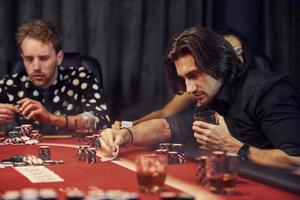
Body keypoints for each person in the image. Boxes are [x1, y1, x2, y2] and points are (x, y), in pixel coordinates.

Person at [100, 26, 300, 169]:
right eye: (184, 78)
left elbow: (296, 162)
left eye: (194, 75)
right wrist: (127, 135)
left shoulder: (269, 90)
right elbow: (167, 126)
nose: (189, 88)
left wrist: (236, 148)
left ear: (218, 63)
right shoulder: (210, 97)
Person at [111, 28, 249, 129]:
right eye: (227, 52)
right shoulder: (197, 85)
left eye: (238, 52)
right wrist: (128, 126)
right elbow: (166, 113)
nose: (232, 58)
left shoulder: (254, 90)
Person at [0, 19, 111, 133]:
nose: (36, 67)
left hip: (70, 150)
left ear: (59, 58)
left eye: (44, 58)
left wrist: (51, 119)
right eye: (29, 59)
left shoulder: (82, 78)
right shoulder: (10, 85)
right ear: (23, 58)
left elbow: (101, 121)